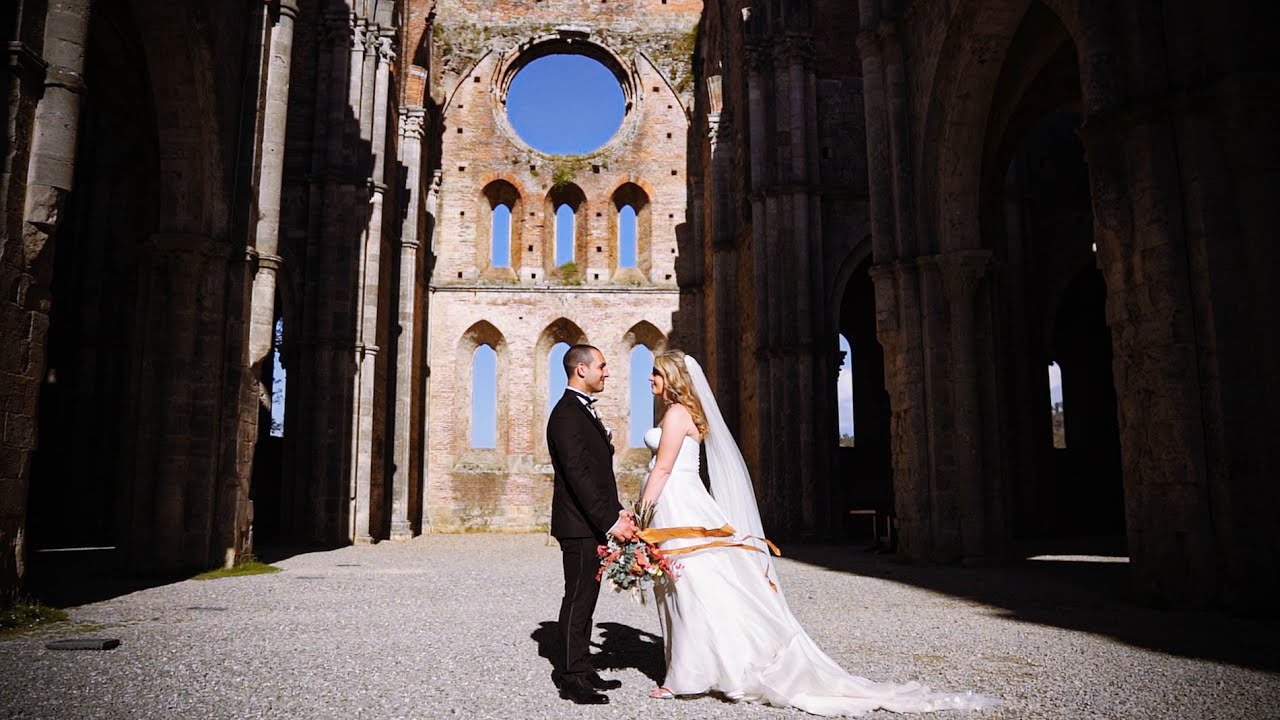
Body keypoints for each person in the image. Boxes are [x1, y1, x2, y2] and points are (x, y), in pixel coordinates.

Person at [638, 350, 1001, 716]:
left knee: (686, 585)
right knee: (688, 584)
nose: (649, 378)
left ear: (672, 377)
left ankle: (686, 674)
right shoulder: (688, 413)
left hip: (677, 504)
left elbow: (664, 468)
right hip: (681, 502)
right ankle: (697, 665)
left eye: (655, 372)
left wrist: (640, 514)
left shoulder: (676, 413)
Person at [546, 344, 637, 705]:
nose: (607, 372)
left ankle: (582, 667)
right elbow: (579, 475)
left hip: (591, 523)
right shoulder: (567, 414)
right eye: (602, 365)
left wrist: (617, 512)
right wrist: (608, 521)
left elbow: (598, 475)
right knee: (578, 598)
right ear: (581, 370)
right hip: (578, 525)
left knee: (587, 597)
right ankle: (571, 679)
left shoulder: (580, 412)